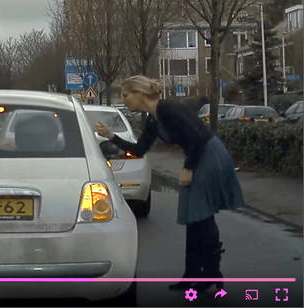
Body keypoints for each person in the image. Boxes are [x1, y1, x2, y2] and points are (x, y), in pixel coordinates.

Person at [95, 75, 246, 292]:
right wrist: (110, 136)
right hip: (198, 156)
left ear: (140, 93)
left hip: (209, 155)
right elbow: (139, 150)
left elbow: (198, 137)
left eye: (126, 95)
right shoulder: (153, 119)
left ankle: (211, 273)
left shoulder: (169, 109)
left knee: (200, 215)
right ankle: (194, 275)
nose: (125, 99)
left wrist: (188, 168)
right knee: (194, 217)